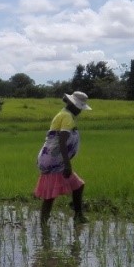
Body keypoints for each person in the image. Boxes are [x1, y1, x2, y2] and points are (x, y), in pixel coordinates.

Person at [35, 91, 90, 225]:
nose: (80, 111)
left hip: (52, 160)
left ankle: (78, 215)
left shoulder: (64, 114)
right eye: (79, 107)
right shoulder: (67, 117)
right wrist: (67, 164)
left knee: (78, 185)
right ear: (73, 105)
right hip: (54, 162)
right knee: (50, 196)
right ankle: (43, 225)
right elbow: (62, 141)